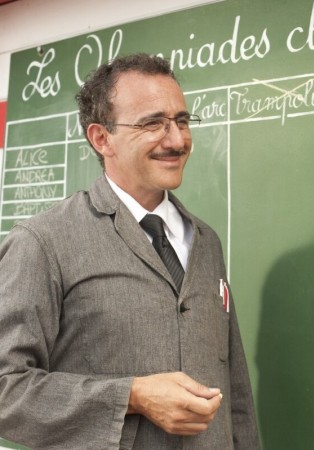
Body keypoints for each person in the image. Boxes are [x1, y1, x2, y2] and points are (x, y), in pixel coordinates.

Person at [0, 53, 260, 450]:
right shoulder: (42, 242)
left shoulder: (206, 241)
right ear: (101, 138)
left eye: (182, 121)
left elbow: (235, 389)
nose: (177, 140)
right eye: (153, 123)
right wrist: (131, 396)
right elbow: (6, 389)